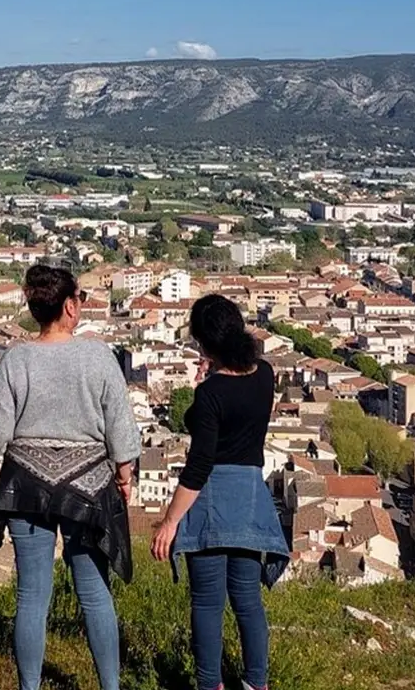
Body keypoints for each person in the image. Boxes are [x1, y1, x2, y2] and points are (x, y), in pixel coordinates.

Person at [0, 263, 141, 690]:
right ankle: (110, 685)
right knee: (93, 592)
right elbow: (120, 426)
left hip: (26, 486)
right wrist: (124, 474)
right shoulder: (96, 355)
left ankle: (29, 687)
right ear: (70, 306)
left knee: (32, 596)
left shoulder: (15, 358)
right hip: (87, 487)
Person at [152, 294, 289, 690]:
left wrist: (170, 522)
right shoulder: (264, 374)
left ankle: (209, 683)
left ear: (206, 344)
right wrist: (207, 381)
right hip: (249, 494)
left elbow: (199, 465)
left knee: (208, 603)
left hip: (211, 497)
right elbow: (225, 418)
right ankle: (256, 682)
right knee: (247, 599)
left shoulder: (210, 394)